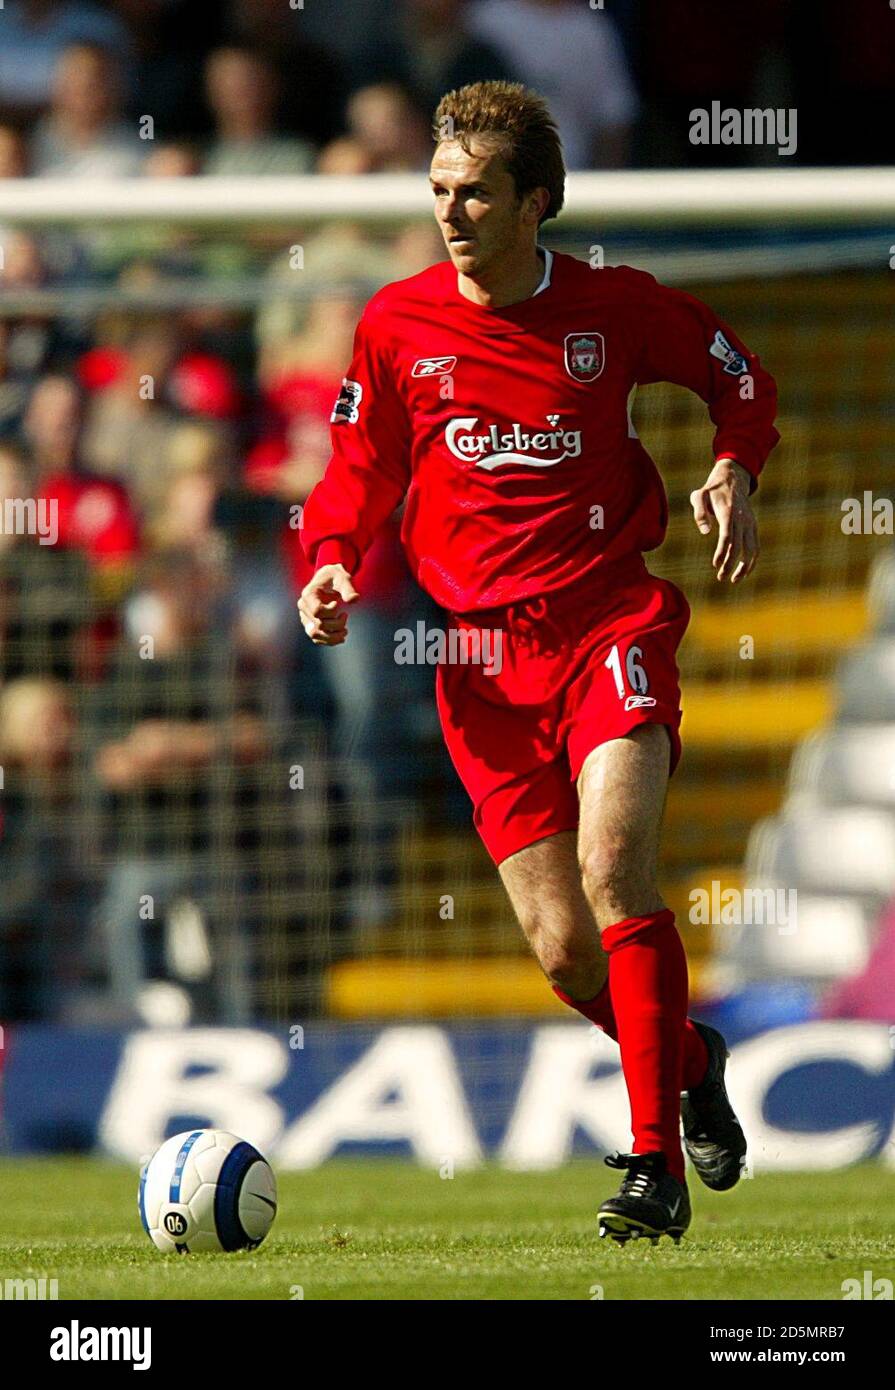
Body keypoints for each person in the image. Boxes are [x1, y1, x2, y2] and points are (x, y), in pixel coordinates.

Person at [298, 80, 779, 1243]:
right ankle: (690, 1059)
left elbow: (738, 374)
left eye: (474, 195)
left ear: (537, 204)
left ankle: (650, 1167)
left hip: (608, 624)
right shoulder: (397, 324)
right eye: (439, 192)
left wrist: (735, 468)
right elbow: (358, 471)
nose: (450, 213)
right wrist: (328, 557)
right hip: (478, 666)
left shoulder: (610, 311)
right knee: (567, 954)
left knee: (618, 873)